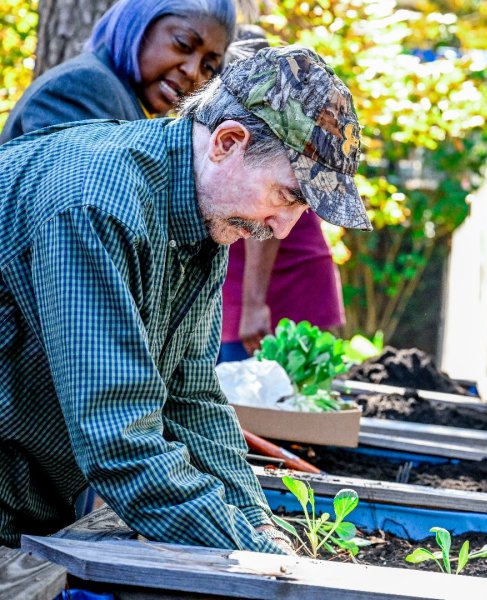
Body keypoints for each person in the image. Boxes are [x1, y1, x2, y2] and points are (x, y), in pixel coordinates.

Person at [0, 45, 372, 554]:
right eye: (286, 196)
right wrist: (258, 555)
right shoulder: (96, 205)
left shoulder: (204, 221)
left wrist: (257, 522)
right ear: (228, 141)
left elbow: (193, 397)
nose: (284, 226)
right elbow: (119, 439)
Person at [218, 26, 346, 362]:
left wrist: (254, 304)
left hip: (277, 289)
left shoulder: (270, 116)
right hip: (242, 282)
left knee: (271, 408)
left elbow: (269, 213)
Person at [0, 0, 235, 143]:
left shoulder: (133, 106)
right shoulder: (86, 87)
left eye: (209, 67)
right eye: (183, 44)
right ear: (140, 24)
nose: (194, 72)